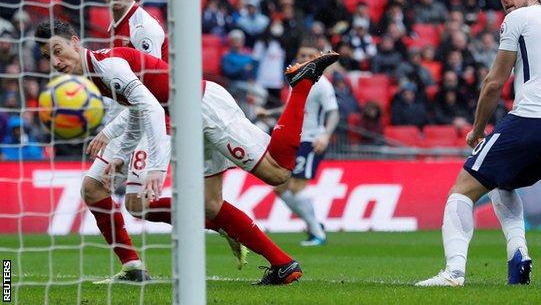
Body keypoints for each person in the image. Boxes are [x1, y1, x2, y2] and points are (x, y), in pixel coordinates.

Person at [35, 19, 341, 285]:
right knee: (209, 205)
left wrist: (155, 167)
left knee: (278, 172)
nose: (57, 62)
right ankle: (282, 265)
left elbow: (151, 109)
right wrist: (115, 142)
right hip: (188, 119)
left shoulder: (107, 67)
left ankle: (300, 85)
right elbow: (139, 109)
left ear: (75, 42)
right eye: (50, 58)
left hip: (203, 109)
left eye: (58, 51)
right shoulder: (97, 74)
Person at [417, 0, 541, 287]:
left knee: (461, 191)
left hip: (530, 121)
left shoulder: (518, 19)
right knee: (501, 183)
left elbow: (494, 82)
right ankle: (518, 254)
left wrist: (478, 129)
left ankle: (453, 273)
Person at [78, 0, 243, 283]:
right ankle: (133, 267)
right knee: (94, 189)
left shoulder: (143, 29)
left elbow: (149, 92)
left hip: (153, 122)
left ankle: (218, 223)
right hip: (133, 120)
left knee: (136, 203)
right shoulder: (116, 26)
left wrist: (112, 133)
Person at [267, 43, 339, 246]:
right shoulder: (296, 81)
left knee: (297, 188)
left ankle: (317, 233)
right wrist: (271, 113)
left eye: (310, 55)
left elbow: (333, 112)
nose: (305, 57)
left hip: (310, 140)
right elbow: (293, 107)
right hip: (294, 139)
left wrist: (325, 135)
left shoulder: (322, 84)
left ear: (316, 57)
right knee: (280, 188)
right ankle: (315, 224)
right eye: (302, 54)